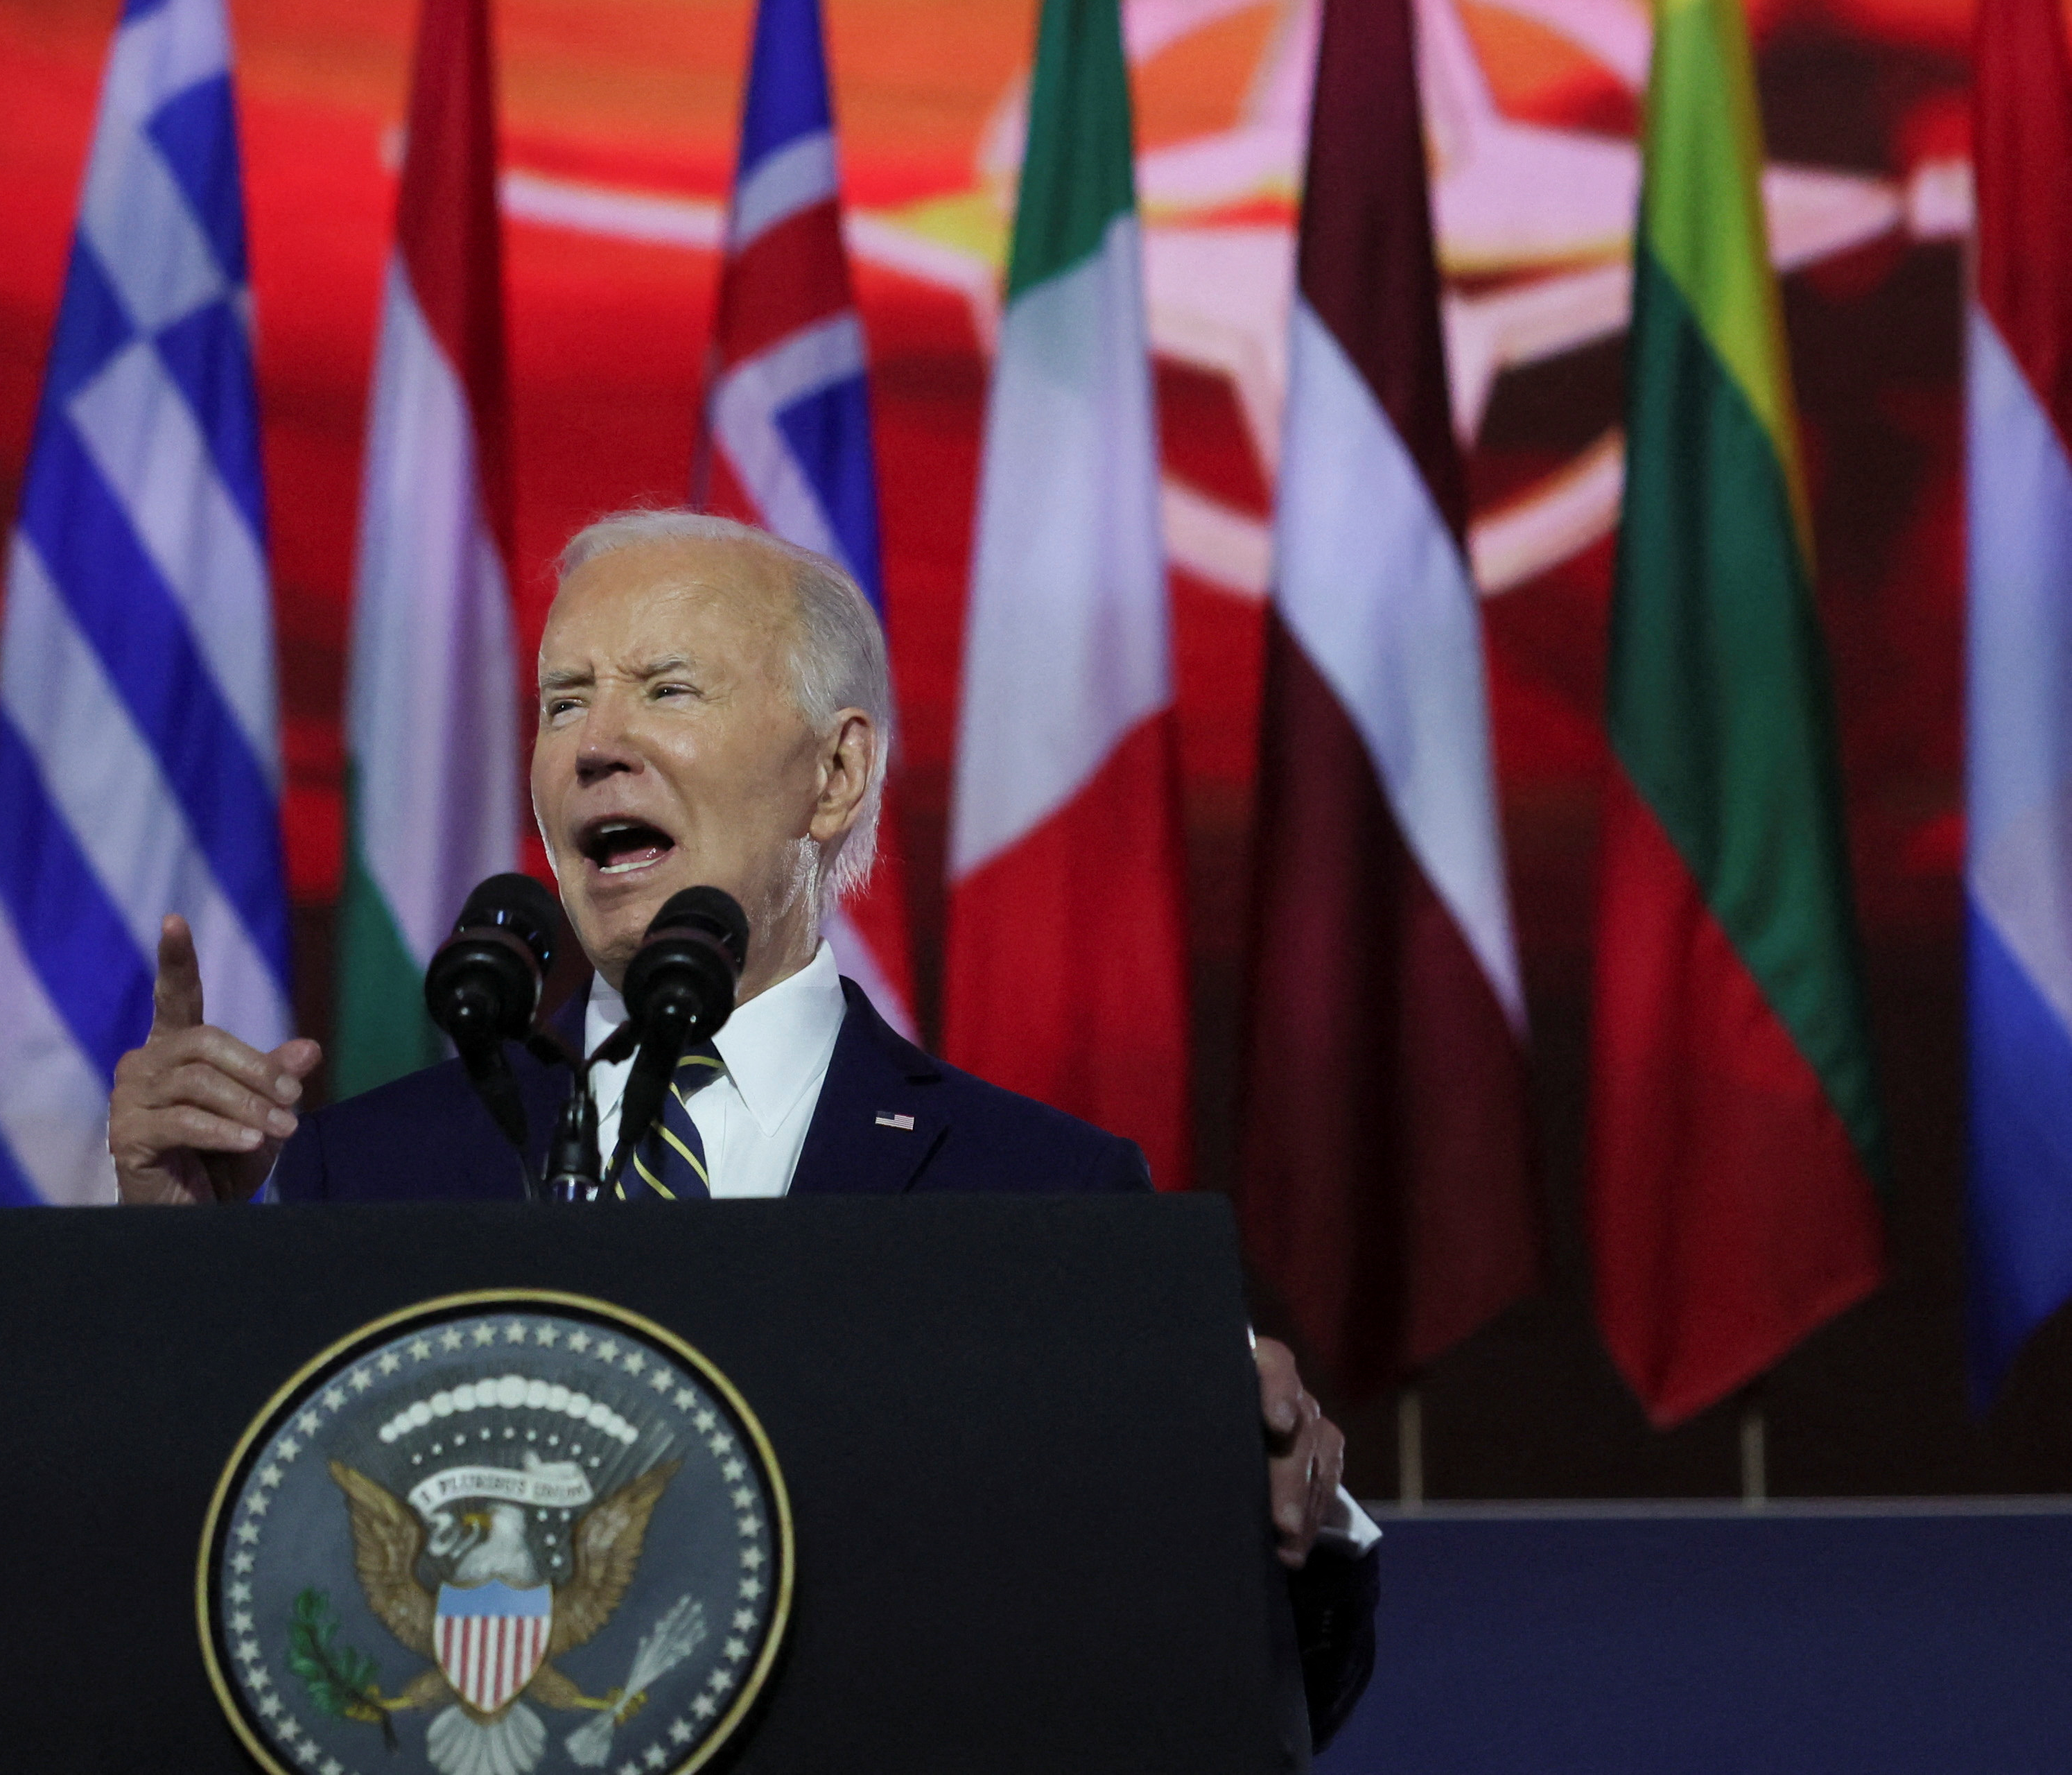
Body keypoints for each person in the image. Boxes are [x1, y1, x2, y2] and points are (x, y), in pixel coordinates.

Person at [107, 508, 1379, 1746]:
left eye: (666, 689)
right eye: (563, 702)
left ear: (835, 775)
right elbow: (240, 1630)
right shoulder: (371, 1174)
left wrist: (1271, 1500)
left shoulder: (1040, 1196)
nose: (595, 745)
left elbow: (1237, 1687)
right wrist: (180, 1282)